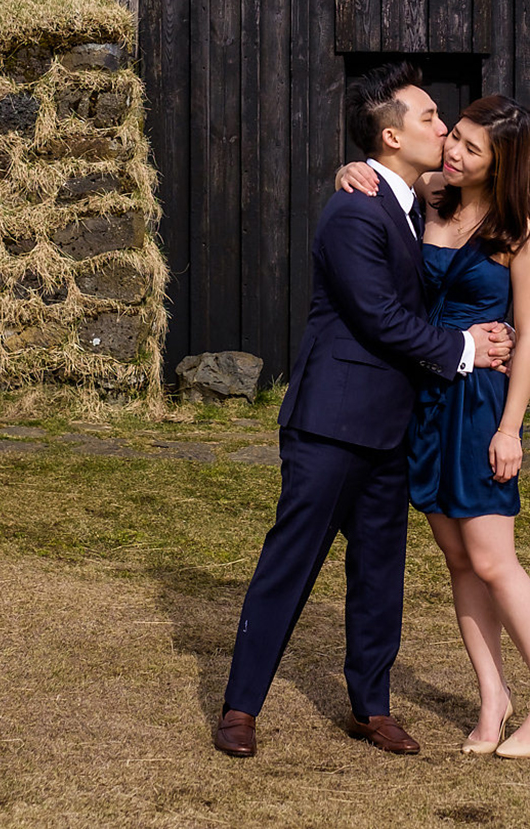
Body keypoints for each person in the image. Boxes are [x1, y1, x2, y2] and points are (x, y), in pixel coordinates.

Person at [215, 62, 514, 759]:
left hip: (391, 429)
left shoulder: (415, 198)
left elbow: (445, 203)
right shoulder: (353, 208)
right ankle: (240, 707)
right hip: (331, 423)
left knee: (380, 574)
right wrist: (464, 347)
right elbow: (378, 317)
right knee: (290, 563)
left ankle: (370, 707)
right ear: (389, 136)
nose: (442, 129)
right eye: (429, 119)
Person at [337, 94, 530, 758]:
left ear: (503, 165)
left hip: (480, 407)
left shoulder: (522, 233)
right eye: (456, 137)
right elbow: (375, 181)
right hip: (425, 399)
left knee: (495, 559)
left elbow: (527, 340)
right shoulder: (432, 195)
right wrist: (346, 173)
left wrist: (511, 428)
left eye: (472, 147)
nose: (453, 151)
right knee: (458, 559)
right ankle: (492, 697)